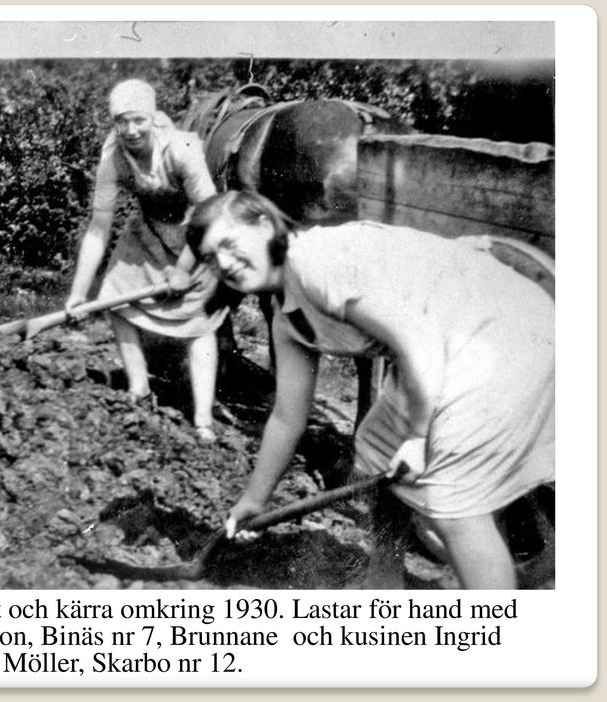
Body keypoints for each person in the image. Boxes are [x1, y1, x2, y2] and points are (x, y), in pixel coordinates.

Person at [185, 189, 554, 589]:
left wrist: (418, 435)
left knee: (453, 507)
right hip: (453, 346)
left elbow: (418, 341)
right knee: (378, 449)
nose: (223, 263)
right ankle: (383, 579)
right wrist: (253, 502)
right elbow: (287, 417)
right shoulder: (285, 313)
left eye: (228, 244)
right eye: (209, 257)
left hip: (501, 335)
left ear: (264, 224)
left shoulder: (313, 263)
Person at [65, 79, 227, 441]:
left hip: (194, 234)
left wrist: (183, 269)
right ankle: (139, 390)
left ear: (153, 118)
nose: (131, 130)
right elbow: (99, 227)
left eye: (138, 119)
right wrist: (78, 294)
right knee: (113, 296)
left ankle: (202, 419)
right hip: (149, 231)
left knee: (198, 321)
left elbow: (210, 214)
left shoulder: (183, 148)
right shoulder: (113, 156)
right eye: (121, 121)